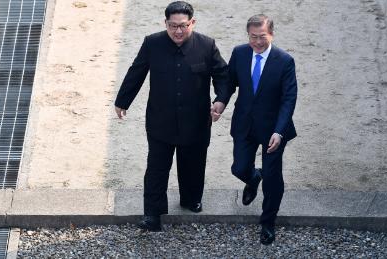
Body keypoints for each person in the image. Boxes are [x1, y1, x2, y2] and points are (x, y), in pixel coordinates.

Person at [115, 1, 228, 231]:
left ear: (192, 23)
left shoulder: (207, 45)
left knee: (193, 164)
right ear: (165, 23)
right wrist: (122, 101)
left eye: (183, 26)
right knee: (156, 168)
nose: (178, 31)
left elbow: (223, 76)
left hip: (196, 121)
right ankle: (152, 214)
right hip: (160, 120)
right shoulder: (152, 43)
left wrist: (220, 100)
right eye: (172, 25)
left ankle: (191, 199)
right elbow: (136, 71)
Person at [212, 14, 297, 245]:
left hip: (273, 130)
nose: (257, 42)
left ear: (271, 34)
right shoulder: (240, 53)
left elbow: (289, 99)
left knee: (272, 177)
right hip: (245, 124)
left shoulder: (284, 61)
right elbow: (229, 83)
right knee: (239, 168)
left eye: (262, 37)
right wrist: (220, 101)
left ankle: (268, 222)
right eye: (253, 37)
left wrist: (279, 131)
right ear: (248, 34)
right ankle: (253, 176)